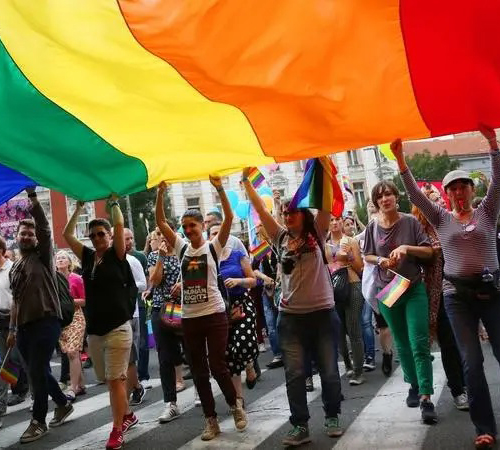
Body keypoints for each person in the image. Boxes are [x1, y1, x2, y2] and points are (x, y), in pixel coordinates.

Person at [391, 125, 500, 449]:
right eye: (452, 188)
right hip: (457, 298)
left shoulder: (487, 212)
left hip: (492, 292)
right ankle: (484, 427)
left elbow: (499, 179)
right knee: (472, 361)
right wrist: (400, 160)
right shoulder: (440, 219)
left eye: (463, 186)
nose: (458, 192)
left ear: (470, 189)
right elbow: (413, 196)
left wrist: (492, 143)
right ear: (448, 193)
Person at [242, 168, 343, 446]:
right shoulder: (280, 238)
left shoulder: (319, 233)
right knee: (295, 375)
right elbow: (261, 210)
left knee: (330, 372)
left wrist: (323, 165)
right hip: (291, 319)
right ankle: (300, 425)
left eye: (292, 212)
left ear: (304, 215)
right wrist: (246, 182)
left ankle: (332, 415)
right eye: (285, 213)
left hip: (323, 315)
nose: (287, 216)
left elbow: (325, 203)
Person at [156, 175, 247, 441]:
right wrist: (160, 193)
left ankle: (235, 406)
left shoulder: (213, 246)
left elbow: (228, 219)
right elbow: (161, 222)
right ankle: (211, 420)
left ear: (200, 226)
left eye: (192, 225)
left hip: (215, 315)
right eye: (184, 226)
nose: (188, 230)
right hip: (190, 319)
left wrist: (218, 188)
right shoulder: (181, 248)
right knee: (198, 371)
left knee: (218, 366)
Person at [64, 199, 136, 450]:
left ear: (109, 235)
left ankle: (117, 430)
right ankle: (127, 415)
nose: (96, 238)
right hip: (94, 330)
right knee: (108, 378)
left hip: (118, 327)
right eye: (92, 235)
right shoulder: (86, 257)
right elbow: (66, 234)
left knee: (115, 380)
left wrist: (114, 201)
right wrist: (78, 208)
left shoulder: (117, 255)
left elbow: (119, 223)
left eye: (101, 234)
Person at [363, 180, 437, 424]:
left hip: (413, 287)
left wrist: (407, 248)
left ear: (396, 197)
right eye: (380, 196)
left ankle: (426, 397)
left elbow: (429, 251)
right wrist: (381, 261)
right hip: (388, 292)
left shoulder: (410, 222)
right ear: (376, 202)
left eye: (389, 194)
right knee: (402, 344)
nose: (385, 199)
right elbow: (368, 255)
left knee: (419, 342)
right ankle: (413, 385)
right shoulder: (373, 227)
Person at [8, 188, 74, 443]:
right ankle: (62, 403)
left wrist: (33, 198)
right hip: (23, 328)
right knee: (39, 371)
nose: (27, 236)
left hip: (46, 322)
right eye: (23, 233)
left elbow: (45, 228)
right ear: (17, 237)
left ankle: (38, 421)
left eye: (30, 233)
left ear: (36, 239)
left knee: (37, 370)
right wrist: (13, 331)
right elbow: (16, 301)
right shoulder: (16, 266)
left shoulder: (43, 256)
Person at [412, 192, 469, 411]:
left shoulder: (449, 223)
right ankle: (456, 390)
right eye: (430, 199)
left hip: (458, 289)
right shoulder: (417, 229)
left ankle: (465, 385)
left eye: (437, 198)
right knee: (446, 343)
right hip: (432, 293)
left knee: (460, 342)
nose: (435, 203)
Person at [208, 223, 259, 399]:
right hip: (220, 309)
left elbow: (253, 280)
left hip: (241, 303)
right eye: (213, 234)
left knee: (243, 345)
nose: (217, 236)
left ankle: (250, 365)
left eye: (219, 232)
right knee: (228, 355)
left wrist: (238, 281)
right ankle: (239, 401)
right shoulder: (208, 259)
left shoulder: (237, 254)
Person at [147, 228, 185, 423]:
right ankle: (170, 403)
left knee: (193, 352)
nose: (163, 239)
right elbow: (155, 280)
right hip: (161, 310)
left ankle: (201, 395)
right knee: (165, 357)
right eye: (160, 236)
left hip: (185, 308)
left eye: (166, 235)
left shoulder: (184, 251)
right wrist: (161, 257)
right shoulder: (154, 256)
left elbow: (196, 276)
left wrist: (183, 285)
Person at [327, 216, 365, 385]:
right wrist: (335, 260)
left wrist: (348, 257)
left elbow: (359, 267)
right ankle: (348, 365)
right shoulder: (323, 244)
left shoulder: (351, 241)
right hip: (332, 289)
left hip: (352, 284)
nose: (334, 223)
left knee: (354, 328)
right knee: (338, 330)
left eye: (337, 219)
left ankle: (358, 371)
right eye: (330, 220)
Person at [0, 236, 29, 419]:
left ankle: (36, 397)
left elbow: (19, 299)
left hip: (15, 321)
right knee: (2, 365)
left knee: (23, 361)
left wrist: (14, 327)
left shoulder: (13, 269)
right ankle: (1, 407)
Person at [55, 251, 86, 402]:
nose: (60, 260)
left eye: (63, 258)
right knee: (69, 353)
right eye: (58, 258)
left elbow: (85, 300)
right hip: (61, 319)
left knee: (73, 351)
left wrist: (68, 302)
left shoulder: (76, 278)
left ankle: (72, 388)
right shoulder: (53, 279)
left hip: (76, 317)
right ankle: (81, 384)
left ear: (69, 262)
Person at [124, 229, 151, 389]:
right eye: (125, 238)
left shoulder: (139, 257)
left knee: (141, 342)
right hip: (122, 309)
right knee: (128, 345)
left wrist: (128, 287)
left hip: (138, 304)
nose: (129, 241)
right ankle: (131, 379)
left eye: (131, 238)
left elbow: (145, 282)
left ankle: (143, 375)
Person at [124, 248, 147, 407]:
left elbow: (143, 284)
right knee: (123, 359)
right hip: (112, 316)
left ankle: (133, 390)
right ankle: (136, 387)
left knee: (129, 357)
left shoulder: (132, 261)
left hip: (131, 313)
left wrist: (125, 286)